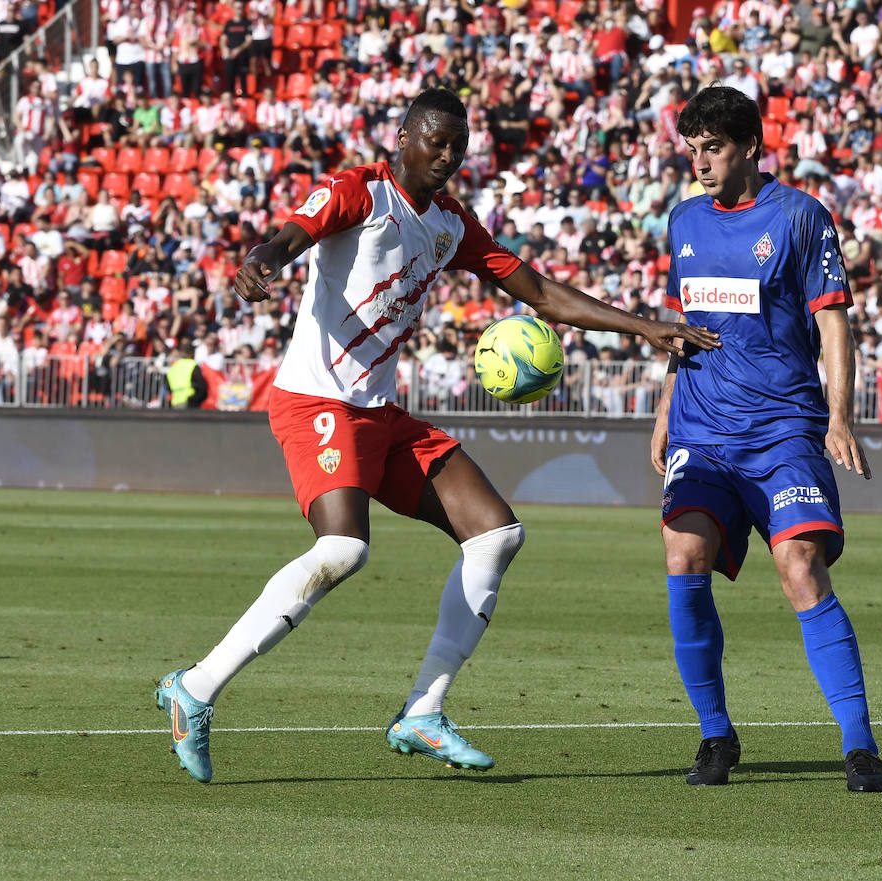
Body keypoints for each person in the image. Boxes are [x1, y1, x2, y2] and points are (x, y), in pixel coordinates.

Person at [155, 88, 717, 783]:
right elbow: (291, 234)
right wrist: (265, 259)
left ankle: (423, 709)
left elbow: (539, 292)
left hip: (380, 412)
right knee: (342, 548)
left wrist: (642, 326)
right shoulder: (359, 190)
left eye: (458, 145)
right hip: (317, 401)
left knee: (496, 533)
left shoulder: (452, 223)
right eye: (435, 141)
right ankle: (198, 687)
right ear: (402, 137)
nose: (447, 155)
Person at [651, 86, 882, 793]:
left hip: (782, 427)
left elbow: (833, 321)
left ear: (750, 147)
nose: (700, 162)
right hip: (701, 424)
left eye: (713, 148)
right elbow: (683, 328)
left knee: (801, 567)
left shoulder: (799, 216)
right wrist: (666, 411)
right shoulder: (684, 221)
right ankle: (716, 734)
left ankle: (860, 745)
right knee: (683, 554)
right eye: (691, 149)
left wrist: (839, 415)